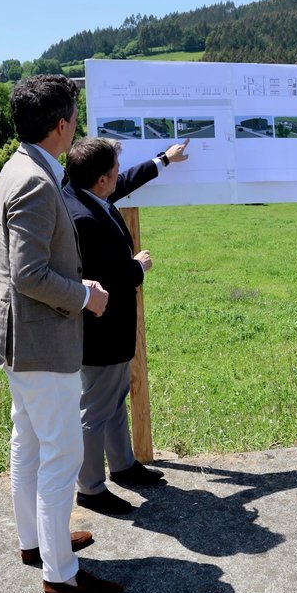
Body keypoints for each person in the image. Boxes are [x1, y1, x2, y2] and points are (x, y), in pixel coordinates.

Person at [0, 75, 122, 593]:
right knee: (61, 452)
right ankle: (62, 573)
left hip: (19, 337)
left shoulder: (21, 167)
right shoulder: (35, 180)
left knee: (29, 442)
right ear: (62, 126)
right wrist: (84, 295)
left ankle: (37, 542)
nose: (76, 125)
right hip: (38, 340)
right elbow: (29, 273)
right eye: (75, 118)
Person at [62, 136, 190, 515]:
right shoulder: (86, 218)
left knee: (113, 401)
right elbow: (109, 278)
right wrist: (139, 266)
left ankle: (121, 465)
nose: (119, 176)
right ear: (101, 179)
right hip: (101, 331)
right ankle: (89, 487)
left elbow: (128, 179)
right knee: (96, 410)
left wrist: (163, 160)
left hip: (109, 330)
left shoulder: (83, 194)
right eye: (114, 172)